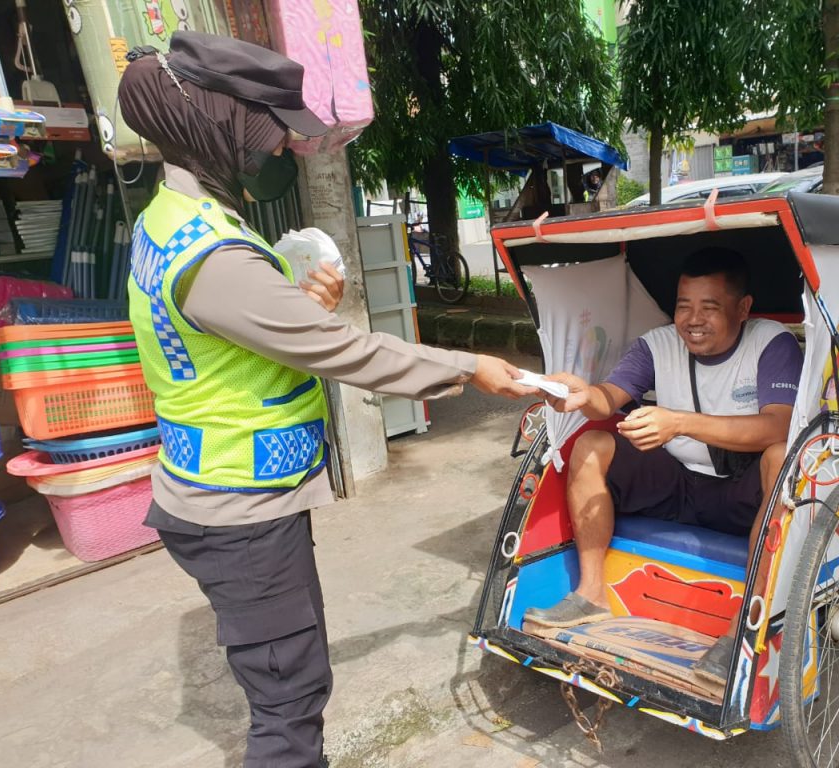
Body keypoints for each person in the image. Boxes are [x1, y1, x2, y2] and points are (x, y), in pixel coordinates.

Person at [117, 31, 535, 767]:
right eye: (274, 140)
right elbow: (347, 351)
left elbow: (242, 334)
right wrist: (470, 365)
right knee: (288, 705)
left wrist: (302, 301)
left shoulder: (173, 219)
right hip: (239, 511)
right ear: (226, 129)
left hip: (220, 492)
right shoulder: (211, 252)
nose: (281, 155)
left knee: (289, 680)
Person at [524, 247, 802, 687]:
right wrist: (582, 394)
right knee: (592, 441)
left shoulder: (772, 343)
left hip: (745, 496)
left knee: (781, 454)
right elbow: (608, 398)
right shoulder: (657, 345)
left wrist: (679, 423)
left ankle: (744, 627)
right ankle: (591, 593)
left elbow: (777, 424)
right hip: (678, 486)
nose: (692, 319)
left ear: (743, 307)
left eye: (709, 307)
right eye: (683, 306)